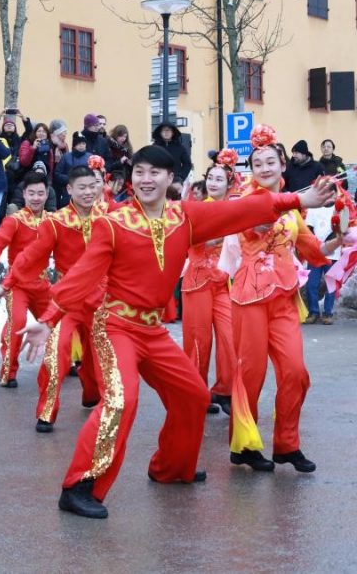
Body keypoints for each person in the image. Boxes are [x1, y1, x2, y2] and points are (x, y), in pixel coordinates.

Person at [19, 144, 334, 519]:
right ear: (131, 178)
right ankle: (79, 486)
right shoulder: (113, 223)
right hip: (116, 326)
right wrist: (49, 317)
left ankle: (170, 469)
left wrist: (298, 199)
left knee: (193, 396)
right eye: (139, 172)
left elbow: (238, 210)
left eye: (155, 172)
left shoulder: (183, 217)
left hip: (152, 330)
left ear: (171, 179)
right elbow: (83, 276)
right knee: (121, 400)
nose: (146, 179)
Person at [226, 128, 341, 474]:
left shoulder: (293, 211)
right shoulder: (245, 201)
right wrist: (299, 201)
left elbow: (314, 250)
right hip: (249, 298)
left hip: (284, 298)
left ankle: (287, 444)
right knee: (251, 374)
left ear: (282, 166)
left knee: (295, 372)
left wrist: (341, 237)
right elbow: (258, 223)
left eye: (270, 161)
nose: (263, 167)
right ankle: (243, 446)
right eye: (257, 162)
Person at [0, 166, 102, 432]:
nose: (88, 192)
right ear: (69, 189)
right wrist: (5, 284)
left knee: (100, 354)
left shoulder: (110, 217)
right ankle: (46, 411)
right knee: (55, 351)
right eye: (81, 187)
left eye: (92, 186)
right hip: (65, 298)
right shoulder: (56, 221)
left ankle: (93, 393)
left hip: (100, 299)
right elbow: (30, 256)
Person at [0, 171, 50, 387]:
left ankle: (69, 361)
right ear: (24, 195)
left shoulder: (53, 221)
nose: (36, 198)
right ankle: (8, 371)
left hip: (42, 284)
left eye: (40, 193)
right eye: (31, 193)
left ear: (47, 194)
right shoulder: (15, 220)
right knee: (17, 323)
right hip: (16, 284)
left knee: (62, 320)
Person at [181, 158, 236, 417]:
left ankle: (224, 390)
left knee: (230, 338)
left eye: (219, 179)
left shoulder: (236, 210)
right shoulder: (196, 210)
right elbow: (195, 239)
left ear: (229, 184)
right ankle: (196, 394)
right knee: (198, 342)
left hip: (224, 283)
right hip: (197, 282)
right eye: (210, 179)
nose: (213, 183)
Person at [150, 121, 193, 191]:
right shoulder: (154, 147)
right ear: (160, 132)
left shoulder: (180, 148)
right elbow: (149, 163)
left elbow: (187, 164)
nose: (166, 132)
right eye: (164, 130)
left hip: (175, 181)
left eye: (169, 130)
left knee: (175, 201)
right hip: (158, 180)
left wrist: (181, 178)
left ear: (173, 132)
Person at [54, 132, 92, 206]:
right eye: (79, 143)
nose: (81, 145)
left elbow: (94, 173)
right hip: (68, 191)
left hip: (85, 190)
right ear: (74, 145)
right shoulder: (66, 157)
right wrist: (71, 179)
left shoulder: (90, 157)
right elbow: (57, 174)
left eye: (83, 143)